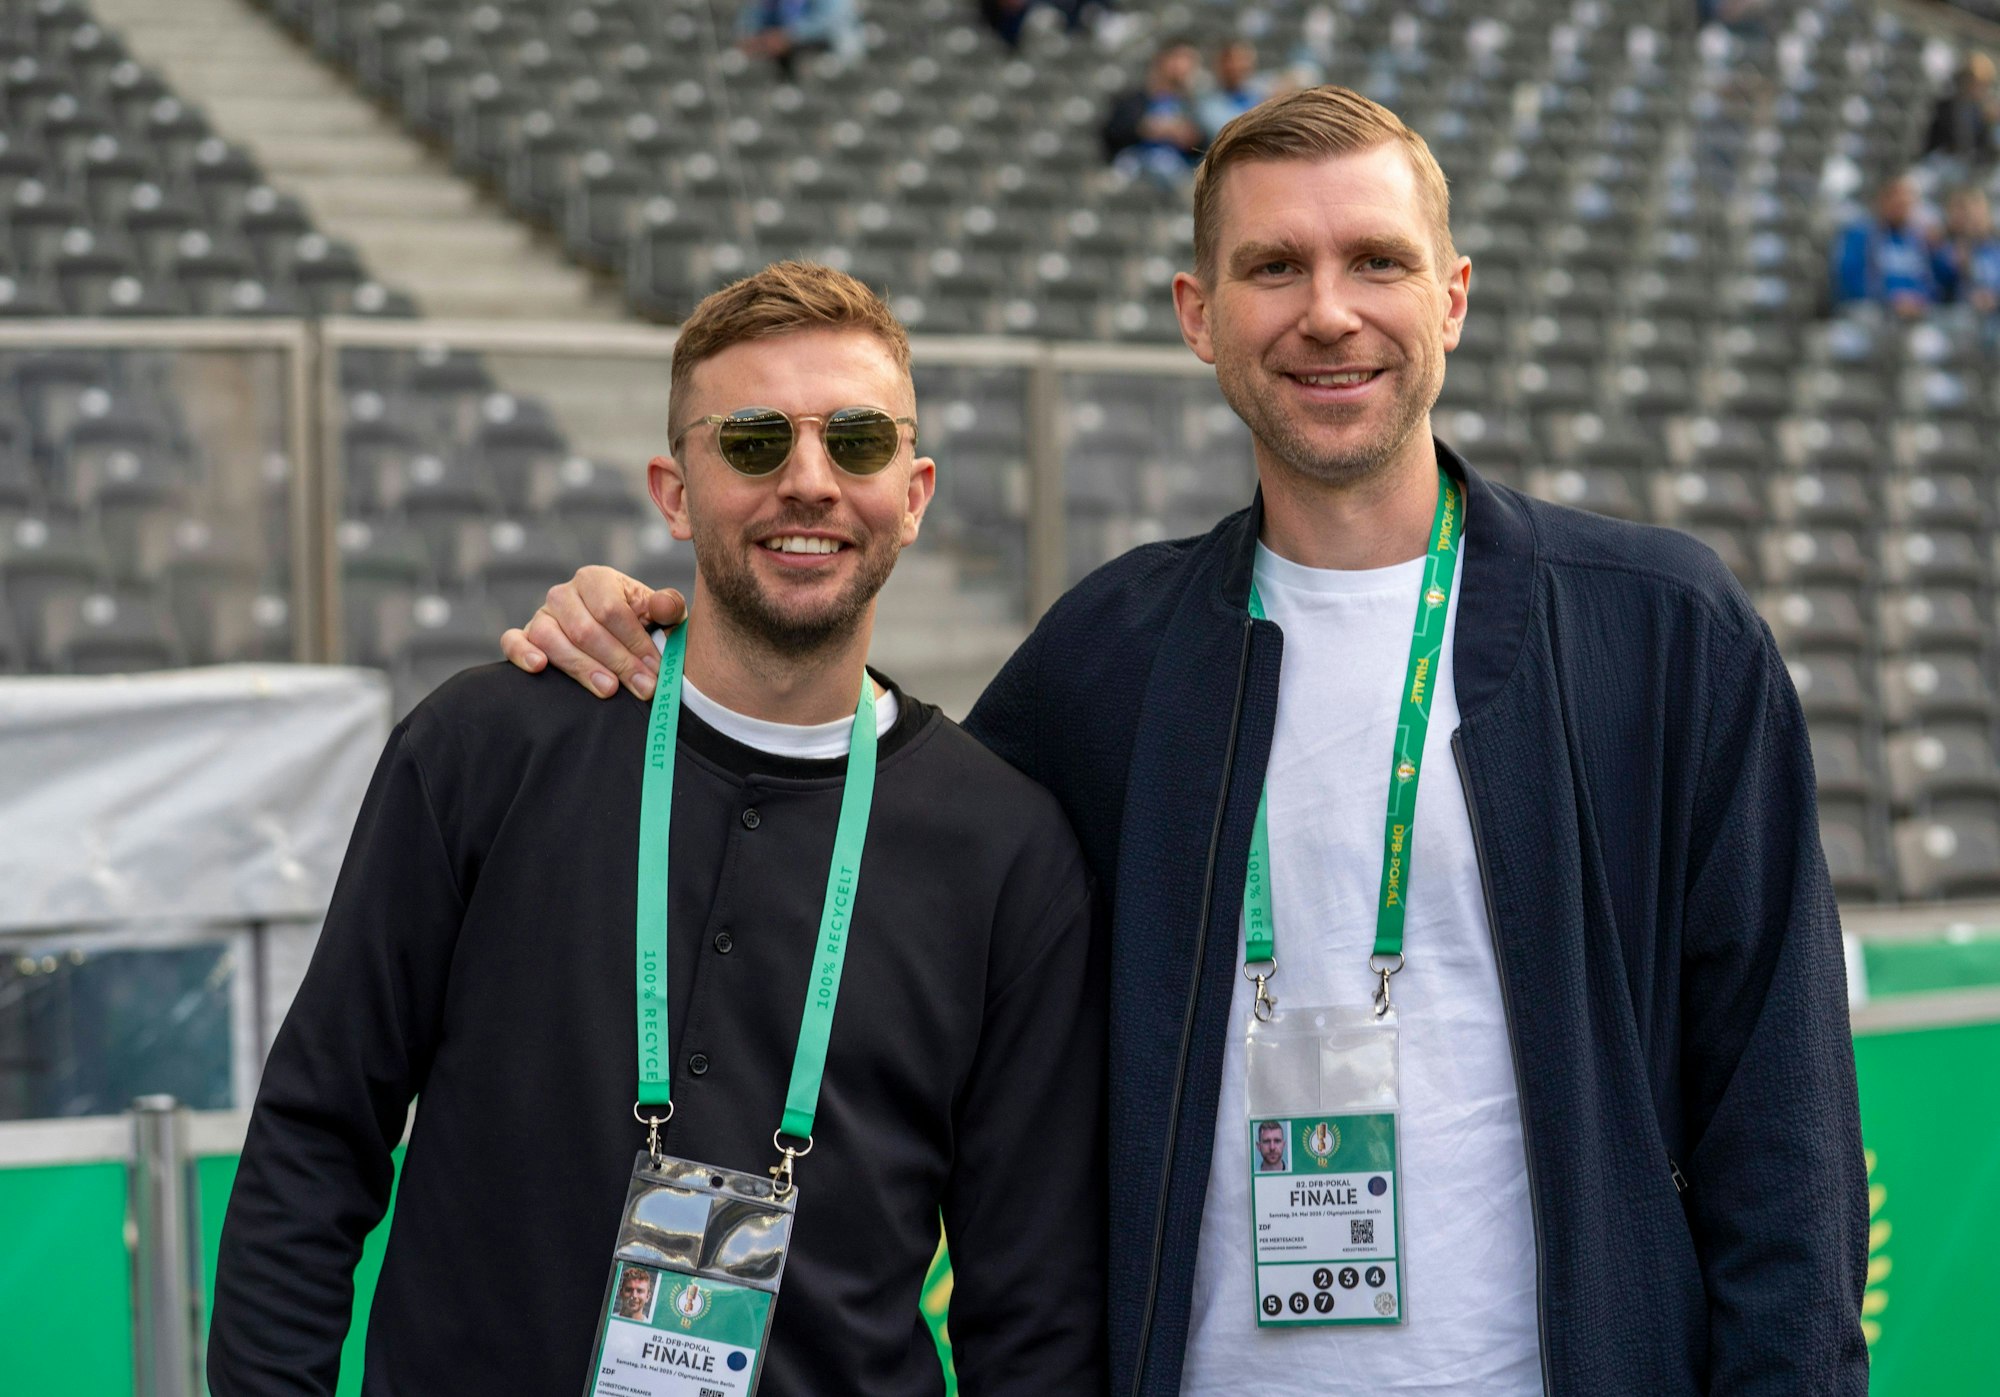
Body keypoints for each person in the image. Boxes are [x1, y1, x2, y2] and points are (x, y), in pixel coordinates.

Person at [506, 88, 1869, 1396]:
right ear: (1197, 317)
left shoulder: (1663, 632)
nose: (1328, 313)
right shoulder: (1108, 658)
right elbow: (874, 839)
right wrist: (655, 638)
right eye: (1274, 267)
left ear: (1451, 295)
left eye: (1376, 262)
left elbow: (1782, 1130)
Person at [209, 263, 1106, 1395]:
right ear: (674, 491)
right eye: (750, 440)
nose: (809, 481)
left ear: (915, 490)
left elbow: (1031, 1302)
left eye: (859, 441)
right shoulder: (486, 746)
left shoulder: (1006, 846)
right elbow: (314, 1134)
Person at [1831, 172, 1938, 316]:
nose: (1902, 207)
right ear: (1882, 200)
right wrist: (1890, 299)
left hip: (1914, 313)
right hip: (1872, 310)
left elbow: (1930, 283)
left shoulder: (1916, 239)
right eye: (1897, 201)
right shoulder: (1860, 234)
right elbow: (1849, 280)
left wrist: (1918, 300)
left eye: (1907, 202)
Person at [1103, 39, 1206, 187]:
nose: (1183, 67)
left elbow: (1206, 146)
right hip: (1133, 167)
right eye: (1178, 59)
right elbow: (1112, 134)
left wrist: (1189, 137)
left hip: (1178, 174)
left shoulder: (1195, 105)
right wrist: (1146, 128)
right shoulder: (1132, 100)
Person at [736, 0, 859, 79]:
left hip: (830, 47)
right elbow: (754, 15)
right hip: (786, 49)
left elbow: (831, 21)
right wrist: (753, 35)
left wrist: (788, 35)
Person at [1932, 186, 2000, 319]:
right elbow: (1939, 287)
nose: (1972, 215)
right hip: (1957, 317)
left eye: (1977, 207)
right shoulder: (1942, 247)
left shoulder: (1994, 248)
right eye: (1963, 209)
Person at [1921, 53, 1997, 167]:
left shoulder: (1980, 110)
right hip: (1941, 162)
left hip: (1970, 167)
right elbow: (1951, 143)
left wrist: (1990, 123)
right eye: (1975, 83)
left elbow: (1987, 150)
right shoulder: (1946, 105)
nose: (1980, 89)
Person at [1197, 40, 1268, 142]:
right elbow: (1228, 132)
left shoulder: (1260, 90)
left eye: (1243, 60)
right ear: (1219, 65)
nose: (1237, 66)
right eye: (1231, 61)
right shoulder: (1206, 102)